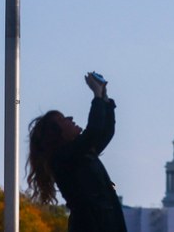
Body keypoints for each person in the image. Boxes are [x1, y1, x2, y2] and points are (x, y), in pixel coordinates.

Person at [27, 72, 126, 232]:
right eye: (63, 119)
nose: (71, 118)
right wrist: (97, 97)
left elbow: (105, 132)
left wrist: (105, 98)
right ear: (56, 134)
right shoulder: (63, 158)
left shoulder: (79, 154)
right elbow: (93, 132)